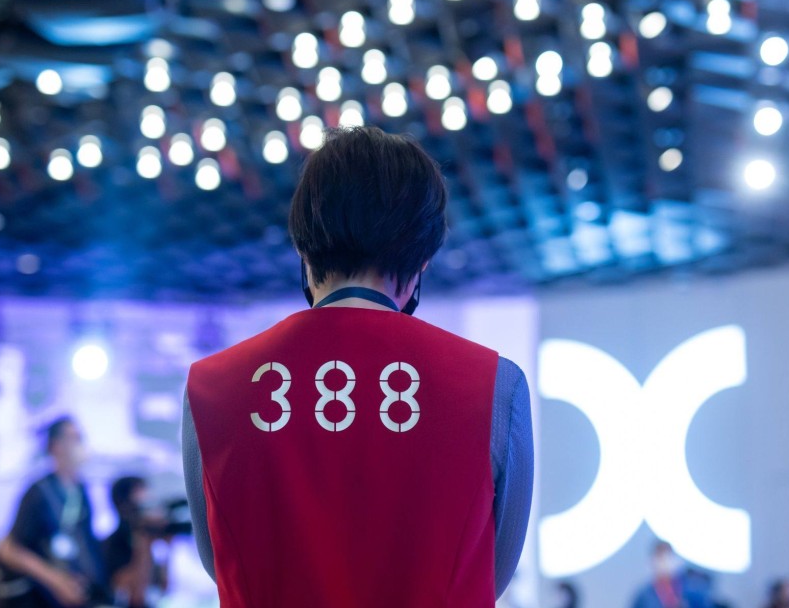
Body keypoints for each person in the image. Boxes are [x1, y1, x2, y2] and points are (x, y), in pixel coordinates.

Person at [183, 126, 534, 607]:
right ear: (422, 265)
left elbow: (218, 561)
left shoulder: (210, 389)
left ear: (304, 252)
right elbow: (491, 573)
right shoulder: (495, 386)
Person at [0, 416, 109, 608]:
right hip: (43, 598)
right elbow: (10, 549)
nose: (81, 445)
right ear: (56, 446)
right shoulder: (40, 492)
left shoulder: (81, 490)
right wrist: (56, 581)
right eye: (75, 438)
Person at [102, 476, 169, 607]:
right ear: (124, 505)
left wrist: (167, 546)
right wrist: (143, 543)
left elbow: (163, 587)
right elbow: (135, 597)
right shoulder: (113, 543)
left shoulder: (151, 539)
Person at [631, 541, 712, 608]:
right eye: (660, 558)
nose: (664, 562)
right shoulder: (644, 596)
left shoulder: (692, 588)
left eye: (667, 556)